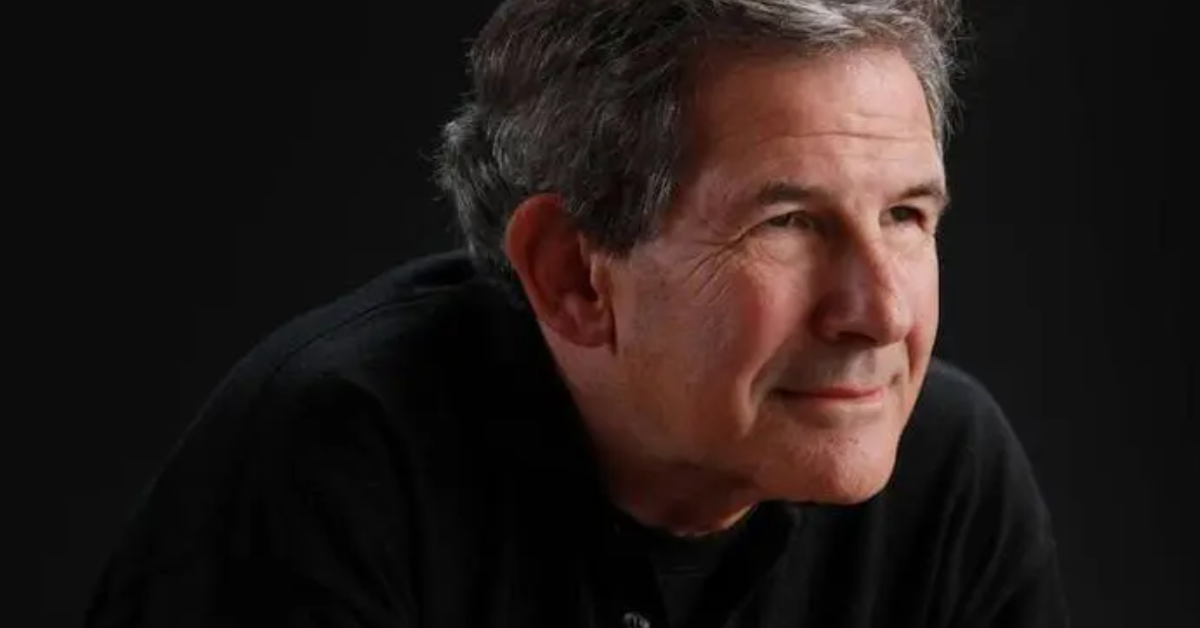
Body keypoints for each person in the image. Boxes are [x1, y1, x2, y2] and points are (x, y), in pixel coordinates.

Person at [87, 0, 1069, 626]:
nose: (882, 312)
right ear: (573, 275)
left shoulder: (948, 471)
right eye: (789, 223)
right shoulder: (340, 461)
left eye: (906, 216)